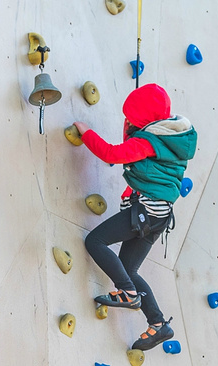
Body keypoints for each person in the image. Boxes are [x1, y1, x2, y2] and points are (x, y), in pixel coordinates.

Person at [73, 82, 197, 351]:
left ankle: (129, 294)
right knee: (128, 269)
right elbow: (137, 150)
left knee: (95, 241)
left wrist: (86, 133)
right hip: (158, 216)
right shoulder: (170, 136)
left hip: (145, 211)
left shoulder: (148, 142)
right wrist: (134, 128)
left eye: (131, 117)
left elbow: (112, 154)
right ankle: (158, 324)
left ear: (141, 119)